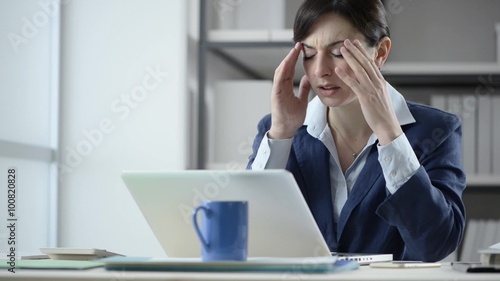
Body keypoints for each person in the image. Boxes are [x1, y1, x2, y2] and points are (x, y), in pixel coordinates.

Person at [247, 0, 466, 262]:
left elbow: (436, 245)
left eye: (339, 52)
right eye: (308, 54)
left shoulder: (437, 130)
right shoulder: (279, 129)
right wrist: (281, 133)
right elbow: (247, 232)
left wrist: (390, 134)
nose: (320, 71)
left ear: (380, 52)